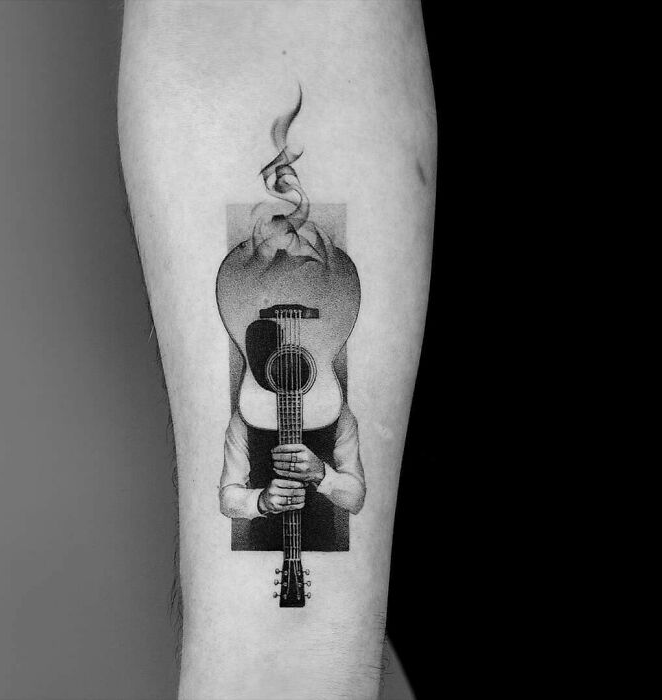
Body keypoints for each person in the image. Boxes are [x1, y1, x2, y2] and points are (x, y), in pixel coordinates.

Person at [118, 1, 435, 697]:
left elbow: (349, 487)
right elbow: (265, 28)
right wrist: (267, 512)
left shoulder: (336, 413)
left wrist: (319, 478)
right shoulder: (251, 414)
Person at [220, 403, 366, 550]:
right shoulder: (245, 412)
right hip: (263, 548)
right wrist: (261, 500)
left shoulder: (338, 409)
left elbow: (356, 499)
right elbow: (226, 499)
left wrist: (321, 474)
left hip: (322, 546)